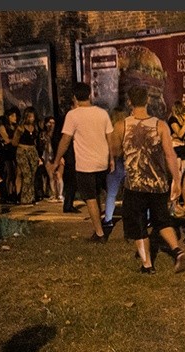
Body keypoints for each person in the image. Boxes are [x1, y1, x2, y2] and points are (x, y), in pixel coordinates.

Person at [108, 85, 185, 274]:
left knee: (138, 225)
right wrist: (176, 181)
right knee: (162, 221)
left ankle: (147, 266)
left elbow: (115, 151)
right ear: (147, 101)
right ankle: (177, 251)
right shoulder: (160, 125)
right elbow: (170, 155)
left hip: (135, 184)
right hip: (158, 183)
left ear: (129, 102)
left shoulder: (122, 125)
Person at [54, 82, 113, 242]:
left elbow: (65, 140)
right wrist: (112, 158)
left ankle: (99, 233)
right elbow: (110, 138)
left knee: (90, 198)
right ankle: (102, 225)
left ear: (74, 97)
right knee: (98, 195)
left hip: (85, 164)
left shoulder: (73, 115)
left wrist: (57, 160)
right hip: (102, 161)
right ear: (89, 95)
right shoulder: (103, 113)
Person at [103, 106, 129, 229]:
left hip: (115, 162)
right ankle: (145, 217)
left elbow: (111, 149)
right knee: (136, 192)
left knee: (111, 193)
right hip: (128, 161)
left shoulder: (110, 131)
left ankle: (108, 219)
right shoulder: (128, 128)